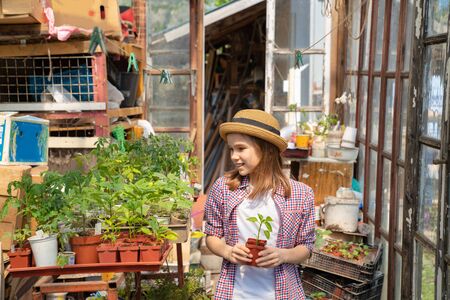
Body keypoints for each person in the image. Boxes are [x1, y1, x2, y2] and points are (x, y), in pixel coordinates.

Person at [204, 109, 316, 299]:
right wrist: (227, 251)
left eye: (241, 148)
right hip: (235, 292)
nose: (233, 156)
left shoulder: (300, 194)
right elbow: (212, 235)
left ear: (265, 149)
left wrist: (283, 255)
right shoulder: (224, 188)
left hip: (283, 293)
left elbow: (306, 247)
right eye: (231, 149)